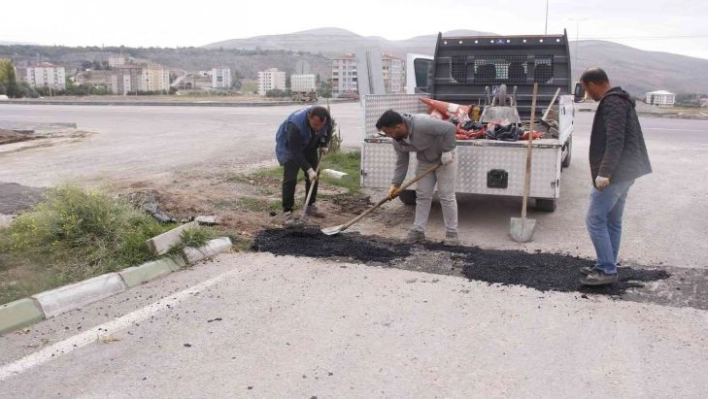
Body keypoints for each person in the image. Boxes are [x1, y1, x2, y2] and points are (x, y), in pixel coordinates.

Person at [579, 68, 652, 286]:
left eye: (585, 88)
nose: (586, 93)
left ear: (592, 84)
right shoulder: (621, 99)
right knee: (612, 220)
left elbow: (615, 141)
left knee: (594, 219)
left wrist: (604, 173)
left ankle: (607, 270)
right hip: (626, 172)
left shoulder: (612, 103)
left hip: (616, 174)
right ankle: (605, 264)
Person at [375, 109, 459, 246]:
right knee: (422, 195)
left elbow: (449, 128)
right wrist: (395, 184)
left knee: (446, 195)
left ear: (399, 126)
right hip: (425, 161)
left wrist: (447, 150)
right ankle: (418, 231)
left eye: (390, 132)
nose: (389, 136)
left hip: (446, 159)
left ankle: (452, 234)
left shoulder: (422, 123)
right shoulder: (397, 141)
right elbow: (402, 162)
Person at [275, 106, 332, 225]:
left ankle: (310, 206)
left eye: (320, 125)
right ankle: (287, 212)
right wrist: (308, 170)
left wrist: (324, 143)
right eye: (315, 125)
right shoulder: (295, 125)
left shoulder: (325, 117)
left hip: (309, 142)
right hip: (289, 146)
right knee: (290, 178)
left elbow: (328, 129)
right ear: (309, 117)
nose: (318, 128)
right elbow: (295, 152)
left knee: (315, 175)